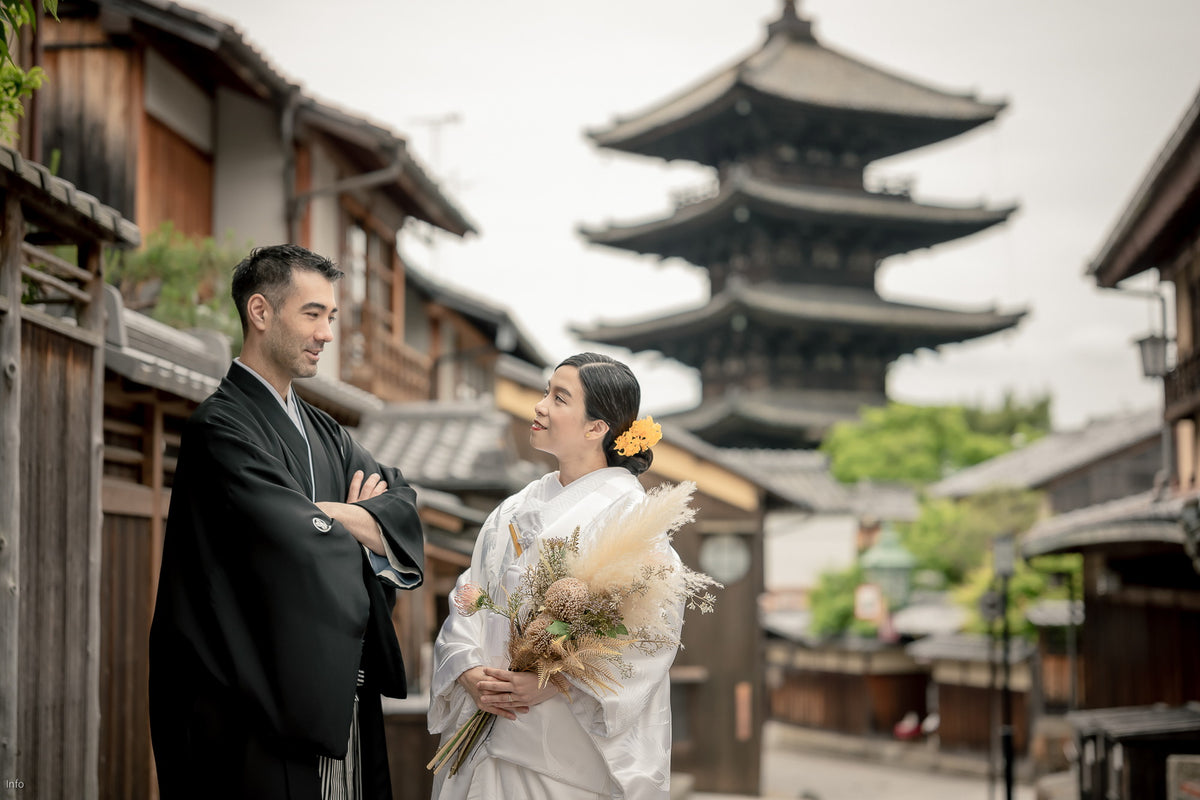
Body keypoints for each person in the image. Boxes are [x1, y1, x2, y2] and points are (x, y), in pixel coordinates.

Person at [149, 244, 424, 800]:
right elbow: (299, 550)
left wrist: (333, 516)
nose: (327, 333)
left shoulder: (327, 432)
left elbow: (401, 504)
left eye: (331, 317)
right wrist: (352, 527)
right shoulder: (219, 431)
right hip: (246, 703)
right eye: (312, 314)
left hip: (335, 697)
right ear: (260, 312)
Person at [428, 352, 681, 800]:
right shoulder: (514, 507)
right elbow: (470, 593)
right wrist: (467, 667)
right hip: (486, 722)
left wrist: (552, 680)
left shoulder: (630, 517)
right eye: (545, 392)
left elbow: (648, 636)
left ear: (597, 427)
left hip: (560, 748)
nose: (540, 406)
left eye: (559, 397)